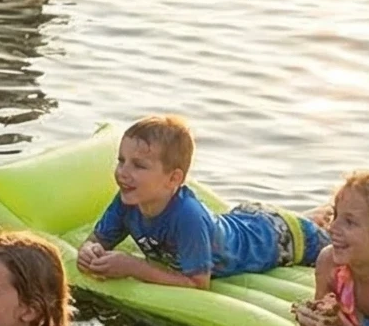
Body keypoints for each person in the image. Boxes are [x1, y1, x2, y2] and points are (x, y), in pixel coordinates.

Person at [77, 115, 327, 291]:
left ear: (173, 179)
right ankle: (317, 215)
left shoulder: (187, 216)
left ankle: (320, 218)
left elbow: (198, 283)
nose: (123, 172)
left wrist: (132, 266)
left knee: (330, 243)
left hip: (277, 238)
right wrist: (90, 252)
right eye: (121, 161)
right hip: (242, 219)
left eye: (139, 165)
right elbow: (96, 240)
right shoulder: (127, 200)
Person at [296, 172, 369, 326]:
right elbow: (324, 325)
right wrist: (311, 321)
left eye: (349, 222)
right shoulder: (330, 264)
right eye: (335, 215)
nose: (331, 228)